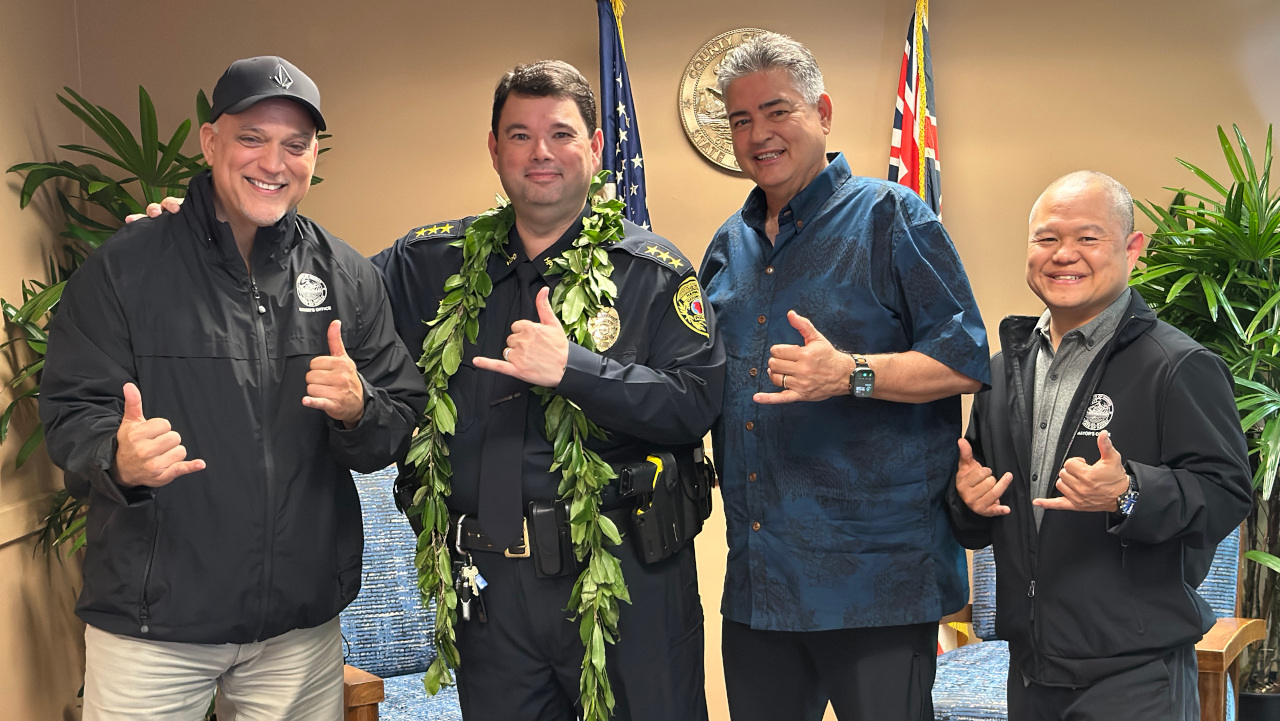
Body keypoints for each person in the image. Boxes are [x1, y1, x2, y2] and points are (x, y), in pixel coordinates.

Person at [40, 56, 427, 721]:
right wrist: (117, 457)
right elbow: (71, 414)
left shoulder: (347, 276)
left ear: (313, 157)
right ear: (210, 141)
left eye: (295, 145)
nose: (273, 162)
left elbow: (397, 419)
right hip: (153, 627)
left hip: (297, 631)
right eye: (252, 138)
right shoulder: (123, 269)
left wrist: (361, 408)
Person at [370, 60, 723, 721]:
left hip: (626, 577)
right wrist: (221, 228)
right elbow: (323, 288)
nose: (540, 152)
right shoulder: (428, 263)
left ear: (595, 147)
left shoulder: (651, 272)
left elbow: (696, 401)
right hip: (486, 587)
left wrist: (576, 370)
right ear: (494, 148)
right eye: (520, 135)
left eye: (561, 133)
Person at [698, 33, 991, 721]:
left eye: (777, 111)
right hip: (760, 582)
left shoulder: (893, 216)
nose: (758, 134)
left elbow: (965, 360)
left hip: (875, 583)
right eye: (741, 120)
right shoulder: (727, 246)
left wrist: (849, 374)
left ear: (822, 112)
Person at [947, 171, 1252, 720]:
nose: (1064, 254)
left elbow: (1227, 495)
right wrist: (968, 501)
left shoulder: (1178, 365)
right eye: (1047, 238)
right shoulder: (1004, 371)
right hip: (1030, 670)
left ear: (1132, 248)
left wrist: (1130, 493)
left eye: (1087, 238)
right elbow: (978, 513)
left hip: (1135, 677)